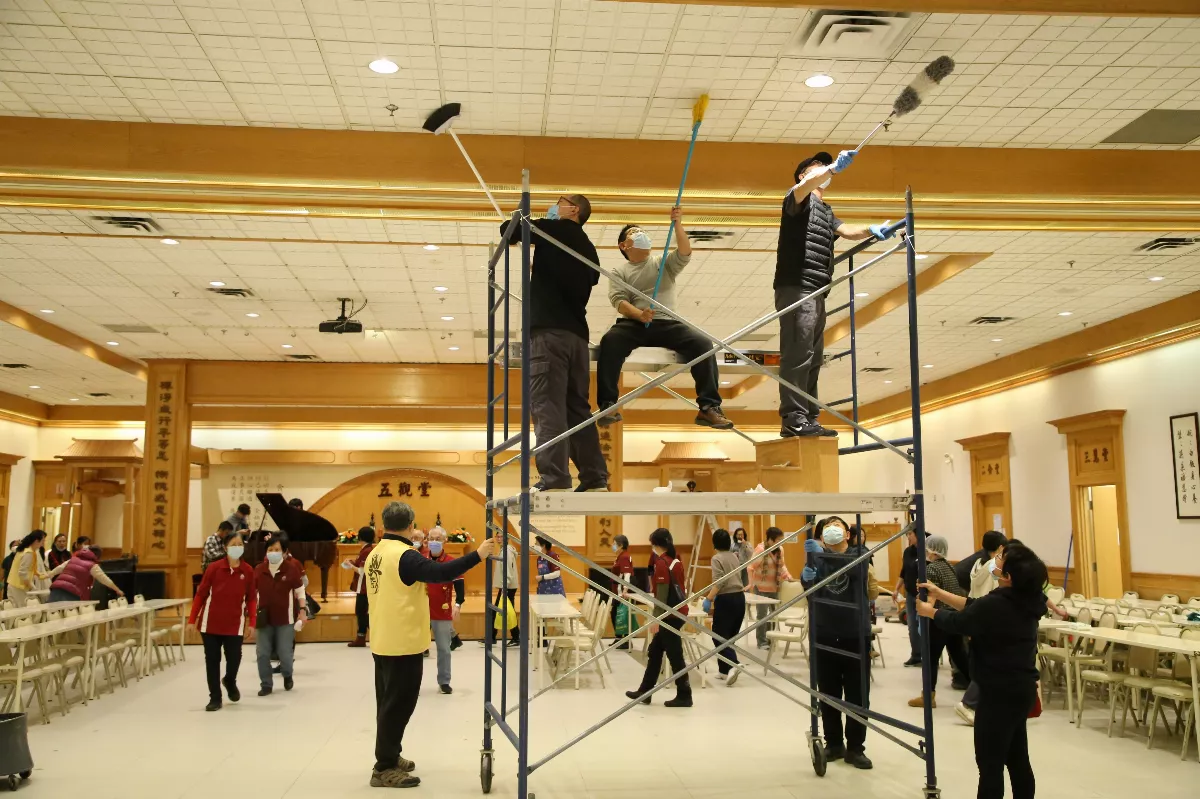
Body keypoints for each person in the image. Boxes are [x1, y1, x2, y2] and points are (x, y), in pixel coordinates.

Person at [365, 501, 498, 789]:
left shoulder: (376, 552)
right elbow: (440, 573)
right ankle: (383, 765)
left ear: (384, 525)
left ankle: (390, 752)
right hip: (401, 642)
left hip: (383, 639)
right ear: (411, 525)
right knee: (397, 706)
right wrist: (478, 555)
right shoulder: (404, 556)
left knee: (387, 703)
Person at [774, 149, 896, 438]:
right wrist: (832, 169)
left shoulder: (826, 212)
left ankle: (809, 416)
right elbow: (802, 188)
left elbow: (848, 231)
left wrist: (871, 229)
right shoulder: (796, 199)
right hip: (796, 285)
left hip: (818, 288)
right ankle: (793, 418)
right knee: (798, 353)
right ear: (804, 175)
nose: (826, 171)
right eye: (819, 168)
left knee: (813, 356)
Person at [917, 544, 1049, 799]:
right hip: (1021, 689)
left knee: (990, 764)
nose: (996, 559)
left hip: (997, 693)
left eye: (1001, 558)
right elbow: (974, 606)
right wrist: (940, 594)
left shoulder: (998, 604)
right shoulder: (1028, 598)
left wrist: (930, 611)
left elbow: (962, 621)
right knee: (1017, 757)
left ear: (1008, 575)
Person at [500, 195, 609, 492]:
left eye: (560, 202)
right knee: (577, 408)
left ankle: (555, 476)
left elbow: (508, 231)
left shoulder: (557, 230)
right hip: (577, 337)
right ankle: (594, 477)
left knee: (547, 405)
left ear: (573, 210)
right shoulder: (588, 247)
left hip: (548, 334)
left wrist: (518, 216)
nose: (554, 206)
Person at [595, 208, 733, 431]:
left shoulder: (662, 263)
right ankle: (608, 405)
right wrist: (639, 314)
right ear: (623, 245)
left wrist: (678, 224)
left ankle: (708, 407)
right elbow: (618, 300)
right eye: (634, 232)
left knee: (703, 344)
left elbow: (685, 252)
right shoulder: (619, 271)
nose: (640, 234)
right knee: (611, 341)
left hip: (669, 322)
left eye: (642, 231)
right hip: (635, 324)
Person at [806, 517, 880, 770]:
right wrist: (807, 578)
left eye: (837, 525)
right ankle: (834, 744)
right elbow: (811, 592)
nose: (832, 530)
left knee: (858, 695)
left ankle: (856, 748)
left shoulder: (860, 553)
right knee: (828, 693)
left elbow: (855, 570)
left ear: (848, 533)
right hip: (825, 633)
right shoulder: (815, 558)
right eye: (827, 527)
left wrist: (825, 557)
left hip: (854, 634)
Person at [188, 530, 256, 712]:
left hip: (235, 624)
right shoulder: (214, 568)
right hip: (210, 624)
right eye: (233, 545)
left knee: (234, 658)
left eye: (240, 545)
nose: (237, 548)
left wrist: (252, 622)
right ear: (225, 547)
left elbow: (251, 598)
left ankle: (229, 680)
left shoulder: (248, 571)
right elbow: (201, 594)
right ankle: (215, 698)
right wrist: (192, 619)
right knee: (212, 660)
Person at [626, 528, 692, 708]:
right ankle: (645, 691)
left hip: (669, 615)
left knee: (675, 655)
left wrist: (656, 619)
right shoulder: (676, 559)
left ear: (656, 544)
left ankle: (685, 694)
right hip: (677, 612)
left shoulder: (662, 563)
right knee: (655, 652)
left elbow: (661, 596)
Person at [908, 535, 968, 708]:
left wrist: (923, 609)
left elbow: (930, 597)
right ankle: (979, 689)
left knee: (930, 659)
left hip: (938, 619)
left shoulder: (932, 569)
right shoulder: (949, 567)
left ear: (932, 551)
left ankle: (928, 696)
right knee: (960, 657)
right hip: (953, 618)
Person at [253, 534, 305, 696]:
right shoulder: (259, 569)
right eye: (270, 549)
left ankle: (287, 674)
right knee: (262, 653)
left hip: (285, 618)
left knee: (284, 652)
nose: (273, 552)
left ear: (284, 552)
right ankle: (266, 684)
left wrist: (302, 610)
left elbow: (299, 590)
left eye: (277, 549)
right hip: (263, 618)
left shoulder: (291, 568)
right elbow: (252, 593)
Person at [425, 529, 466, 694]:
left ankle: (444, 681)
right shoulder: (420, 560)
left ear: (445, 541)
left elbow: (460, 585)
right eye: (431, 539)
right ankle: (411, 684)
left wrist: (458, 604)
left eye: (438, 539)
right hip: (420, 611)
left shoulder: (451, 562)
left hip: (441, 612)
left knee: (443, 648)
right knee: (414, 650)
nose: (434, 541)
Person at [704, 528, 745, 685]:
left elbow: (719, 581)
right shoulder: (734, 556)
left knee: (719, 635)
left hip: (726, 598)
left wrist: (709, 598)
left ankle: (734, 663)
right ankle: (724, 670)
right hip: (739, 598)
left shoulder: (716, 558)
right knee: (730, 636)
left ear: (714, 543)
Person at [748, 526, 793, 648]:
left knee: (773, 615)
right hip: (761, 588)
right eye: (778, 540)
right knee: (762, 616)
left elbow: (782, 565)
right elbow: (750, 567)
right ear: (770, 540)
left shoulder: (780, 549)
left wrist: (788, 576)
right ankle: (761, 642)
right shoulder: (760, 550)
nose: (781, 542)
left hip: (775, 586)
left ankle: (770, 639)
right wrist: (750, 584)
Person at [48, 545, 123, 602]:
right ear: (97, 556)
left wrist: (49, 574)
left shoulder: (73, 559)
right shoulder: (92, 565)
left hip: (56, 589)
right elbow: (104, 579)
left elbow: (60, 568)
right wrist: (117, 590)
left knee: (52, 617)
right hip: (72, 593)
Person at [892, 528, 922, 667]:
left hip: (924, 595)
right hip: (910, 594)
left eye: (910, 534)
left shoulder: (926, 551)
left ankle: (929, 655)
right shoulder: (907, 552)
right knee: (912, 626)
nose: (908, 537)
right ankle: (916, 655)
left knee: (924, 626)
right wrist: (896, 589)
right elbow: (903, 572)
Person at [346, 526, 377, 648]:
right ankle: (362, 636)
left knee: (361, 612)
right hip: (364, 586)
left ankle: (363, 637)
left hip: (364, 587)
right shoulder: (367, 549)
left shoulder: (367, 551)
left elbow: (362, 571)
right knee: (361, 611)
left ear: (360, 537)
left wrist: (350, 565)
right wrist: (354, 562)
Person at [7, 530, 49, 607]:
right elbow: (22, 573)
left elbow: (32, 570)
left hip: (15, 585)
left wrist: (45, 575)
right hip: (19, 587)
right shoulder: (28, 553)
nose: (43, 543)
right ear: (36, 541)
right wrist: (32, 586)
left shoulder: (24, 549)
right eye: (43, 541)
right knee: (21, 613)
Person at [491, 538, 520, 647]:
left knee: (500, 610)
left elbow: (508, 569)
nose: (498, 539)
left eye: (501, 536)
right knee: (506, 610)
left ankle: (492, 637)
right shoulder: (505, 550)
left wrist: (505, 585)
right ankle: (516, 636)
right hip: (508, 585)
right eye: (497, 536)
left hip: (507, 586)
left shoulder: (507, 551)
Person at [610, 534, 635, 649]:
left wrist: (625, 589)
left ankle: (624, 640)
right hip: (616, 590)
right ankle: (619, 638)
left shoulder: (625, 557)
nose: (612, 545)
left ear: (621, 545)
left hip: (621, 592)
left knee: (620, 615)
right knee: (615, 614)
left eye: (614, 544)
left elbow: (627, 574)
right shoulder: (619, 556)